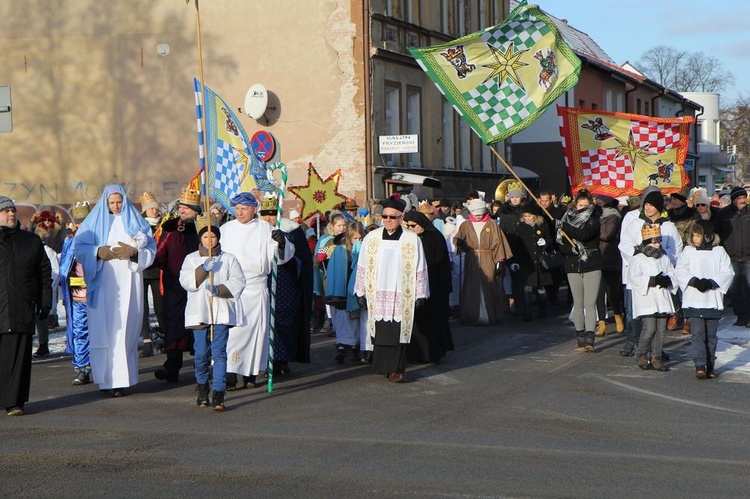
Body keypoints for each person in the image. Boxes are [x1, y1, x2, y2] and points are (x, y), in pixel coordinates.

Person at [74, 185, 156, 397]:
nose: (116, 206)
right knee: (104, 329)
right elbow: (80, 247)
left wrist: (134, 252)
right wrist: (97, 252)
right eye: (112, 202)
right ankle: (106, 379)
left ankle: (123, 379)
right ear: (105, 202)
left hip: (128, 279)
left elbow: (150, 248)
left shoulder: (136, 221)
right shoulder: (93, 221)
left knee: (125, 329)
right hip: (103, 282)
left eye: (119, 202)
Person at [220, 191, 294, 389]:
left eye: (244, 209)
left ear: (254, 209)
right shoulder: (226, 229)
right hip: (232, 288)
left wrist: (281, 243)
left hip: (256, 287)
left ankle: (251, 373)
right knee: (233, 331)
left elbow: (281, 256)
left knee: (255, 332)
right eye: (237, 209)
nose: (240, 212)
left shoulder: (265, 229)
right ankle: (230, 372)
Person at [353, 196, 428, 383]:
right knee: (381, 331)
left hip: (402, 293)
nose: (387, 220)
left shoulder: (412, 240)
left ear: (401, 218)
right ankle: (383, 367)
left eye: (392, 217)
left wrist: (420, 293)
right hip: (376, 293)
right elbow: (361, 266)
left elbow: (420, 267)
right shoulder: (371, 238)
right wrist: (360, 292)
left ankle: (396, 370)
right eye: (384, 216)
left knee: (398, 332)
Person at [180, 213, 245, 411]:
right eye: (206, 237)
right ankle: (202, 387)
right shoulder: (191, 259)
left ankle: (219, 393)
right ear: (200, 238)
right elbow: (186, 282)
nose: (210, 240)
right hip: (199, 311)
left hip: (221, 311)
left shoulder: (229, 259)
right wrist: (202, 269)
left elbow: (239, 281)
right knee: (201, 353)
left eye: (213, 237)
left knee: (219, 353)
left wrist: (220, 290)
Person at [0, 196, 52, 416]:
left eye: (13, 210)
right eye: (5, 211)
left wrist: (45, 301)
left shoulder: (30, 241)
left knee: (18, 357)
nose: (11, 214)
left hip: (22, 307)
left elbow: (43, 272)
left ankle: (15, 402)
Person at [618, 187, 683, 357]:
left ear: (659, 207)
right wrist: (641, 254)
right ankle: (633, 342)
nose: (648, 208)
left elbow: (676, 249)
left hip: (660, 278)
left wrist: (660, 254)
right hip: (640, 277)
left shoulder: (668, 227)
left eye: (652, 205)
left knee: (658, 317)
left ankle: (656, 350)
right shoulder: (635, 224)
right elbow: (624, 245)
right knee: (636, 314)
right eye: (646, 204)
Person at [259, 193, 312, 373]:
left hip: (286, 281)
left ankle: (280, 360)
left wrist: (284, 248)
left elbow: (302, 260)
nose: (268, 218)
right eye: (265, 213)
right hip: (262, 281)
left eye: (272, 214)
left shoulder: (292, 230)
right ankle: (264, 360)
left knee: (283, 320)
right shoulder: (257, 231)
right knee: (263, 321)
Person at [154, 187, 202, 382]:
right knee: (173, 326)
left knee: (199, 326)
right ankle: (172, 368)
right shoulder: (170, 227)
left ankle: (202, 369)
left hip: (199, 286)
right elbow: (160, 253)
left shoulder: (204, 228)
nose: (183, 211)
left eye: (187, 208)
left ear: (197, 210)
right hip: (174, 286)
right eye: (181, 207)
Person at [675, 220, 734, 379]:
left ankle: (711, 365)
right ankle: (699, 365)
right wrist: (694, 281)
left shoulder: (719, 252)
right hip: (694, 300)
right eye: (693, 235)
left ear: (707, 236)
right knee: (697, 335)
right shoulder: (688, 251)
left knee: (711, 336)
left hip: (712, 300)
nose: (695, 239)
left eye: (698, 235)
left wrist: (712, 282)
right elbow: (680, 270)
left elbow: (727, 272)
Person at [404, 211, 454, 363]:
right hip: (415, 287)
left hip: (435, 286)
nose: (410, 228)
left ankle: (434, 353)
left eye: (413, 226)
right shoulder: (409, 239)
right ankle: (416, 354)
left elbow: (439, 264)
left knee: (433, 320)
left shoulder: (435, 237)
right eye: (408, 226)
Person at [557, 189, 602, 352]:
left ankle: (590, 338)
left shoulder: (594, 219)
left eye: (585, 205)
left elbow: (583, 235)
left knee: (590, 303)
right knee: (578, 302)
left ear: (590, 205)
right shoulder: (566, 218)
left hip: (591, 264)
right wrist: (571, 249)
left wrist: (565, 227)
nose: (583, 208)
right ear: (575, 204)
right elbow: (561, 244)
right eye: (580, 205)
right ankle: (580, 336)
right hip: (572, 265)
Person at [455, 198, 512, 325]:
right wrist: (459, 243)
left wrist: (500, 260)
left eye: (480, 214)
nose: (478, 216)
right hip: (472, 258)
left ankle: (489, 314)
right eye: (476, 214)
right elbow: (457, 239)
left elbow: (499, 243)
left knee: (489, 284)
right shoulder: (466, 225)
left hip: (488, 257)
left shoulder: (492, 224)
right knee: (472, 285)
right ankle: (472, 315)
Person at [628, 224, 676, 371]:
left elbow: (672, 272)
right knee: (649, 328)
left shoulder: (664, 258)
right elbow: (634, 278)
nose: (657, 244)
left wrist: (668, 280)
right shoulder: (638, 259)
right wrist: (652, 280)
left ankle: (656, 357)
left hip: (661, 299)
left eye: (658, 241)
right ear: (646, 242)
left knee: (660, 330)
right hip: (647, 299)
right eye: (654, 241)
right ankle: (642, 353)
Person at [60, 201, 92, 385]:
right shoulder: (70, 242)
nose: (81, 227)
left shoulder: (97, 239)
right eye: (78, 223)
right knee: (80, 331)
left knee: (100, 331)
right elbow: (65, 267)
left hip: (97, 294)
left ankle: (104, 365)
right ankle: (82, 368)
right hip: (78, 295)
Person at [713, 186, 750, 327]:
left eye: (744, 197)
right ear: (733, 200)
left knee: (748, 288)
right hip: (731, 257)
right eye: (739, 198)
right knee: (735, 290)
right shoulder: (723, 214)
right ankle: (741, 316)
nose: (742, 200)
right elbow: (716, 234)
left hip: (748, 257)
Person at [516, 203, 554, 320]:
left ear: (535, 216)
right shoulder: (521, 227)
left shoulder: (543, 226)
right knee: (527, 287)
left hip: (540, 261)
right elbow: (517, 245)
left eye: (529, 216)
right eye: (525, 216)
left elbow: (550, 242)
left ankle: (542, 310)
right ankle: (527, 312)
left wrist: (546, 243)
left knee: (540, 287)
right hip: (527, 261)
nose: (527, 218)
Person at [139, 191, 165, 358]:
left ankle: (164, 337)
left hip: (158, 271)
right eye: (151, 209)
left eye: (156, 208)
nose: (154, 211)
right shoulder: (141, 227)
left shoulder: (163, 225)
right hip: (143, 270)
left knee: (160, 307)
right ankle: (147, 341)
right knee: (142, 308)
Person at [595, 193, 624, 335]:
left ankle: (618, 315)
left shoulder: (614, 216)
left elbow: (607, 235)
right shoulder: (596, 215)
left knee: (612, 291)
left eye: (600, 201)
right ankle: (601, 323)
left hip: (611, 257)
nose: (597, 203)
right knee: (598, 292)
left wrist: (594, 225)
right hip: (597, 257)